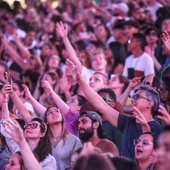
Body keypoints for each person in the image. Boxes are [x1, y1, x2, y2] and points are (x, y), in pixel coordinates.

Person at [66, 59, 163, 159]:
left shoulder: (160, 130)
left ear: (149, 103)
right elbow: (101, 105)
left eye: (136, 97)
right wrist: (80, 80)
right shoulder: (127, 122)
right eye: (133, 97)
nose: (132, 100)